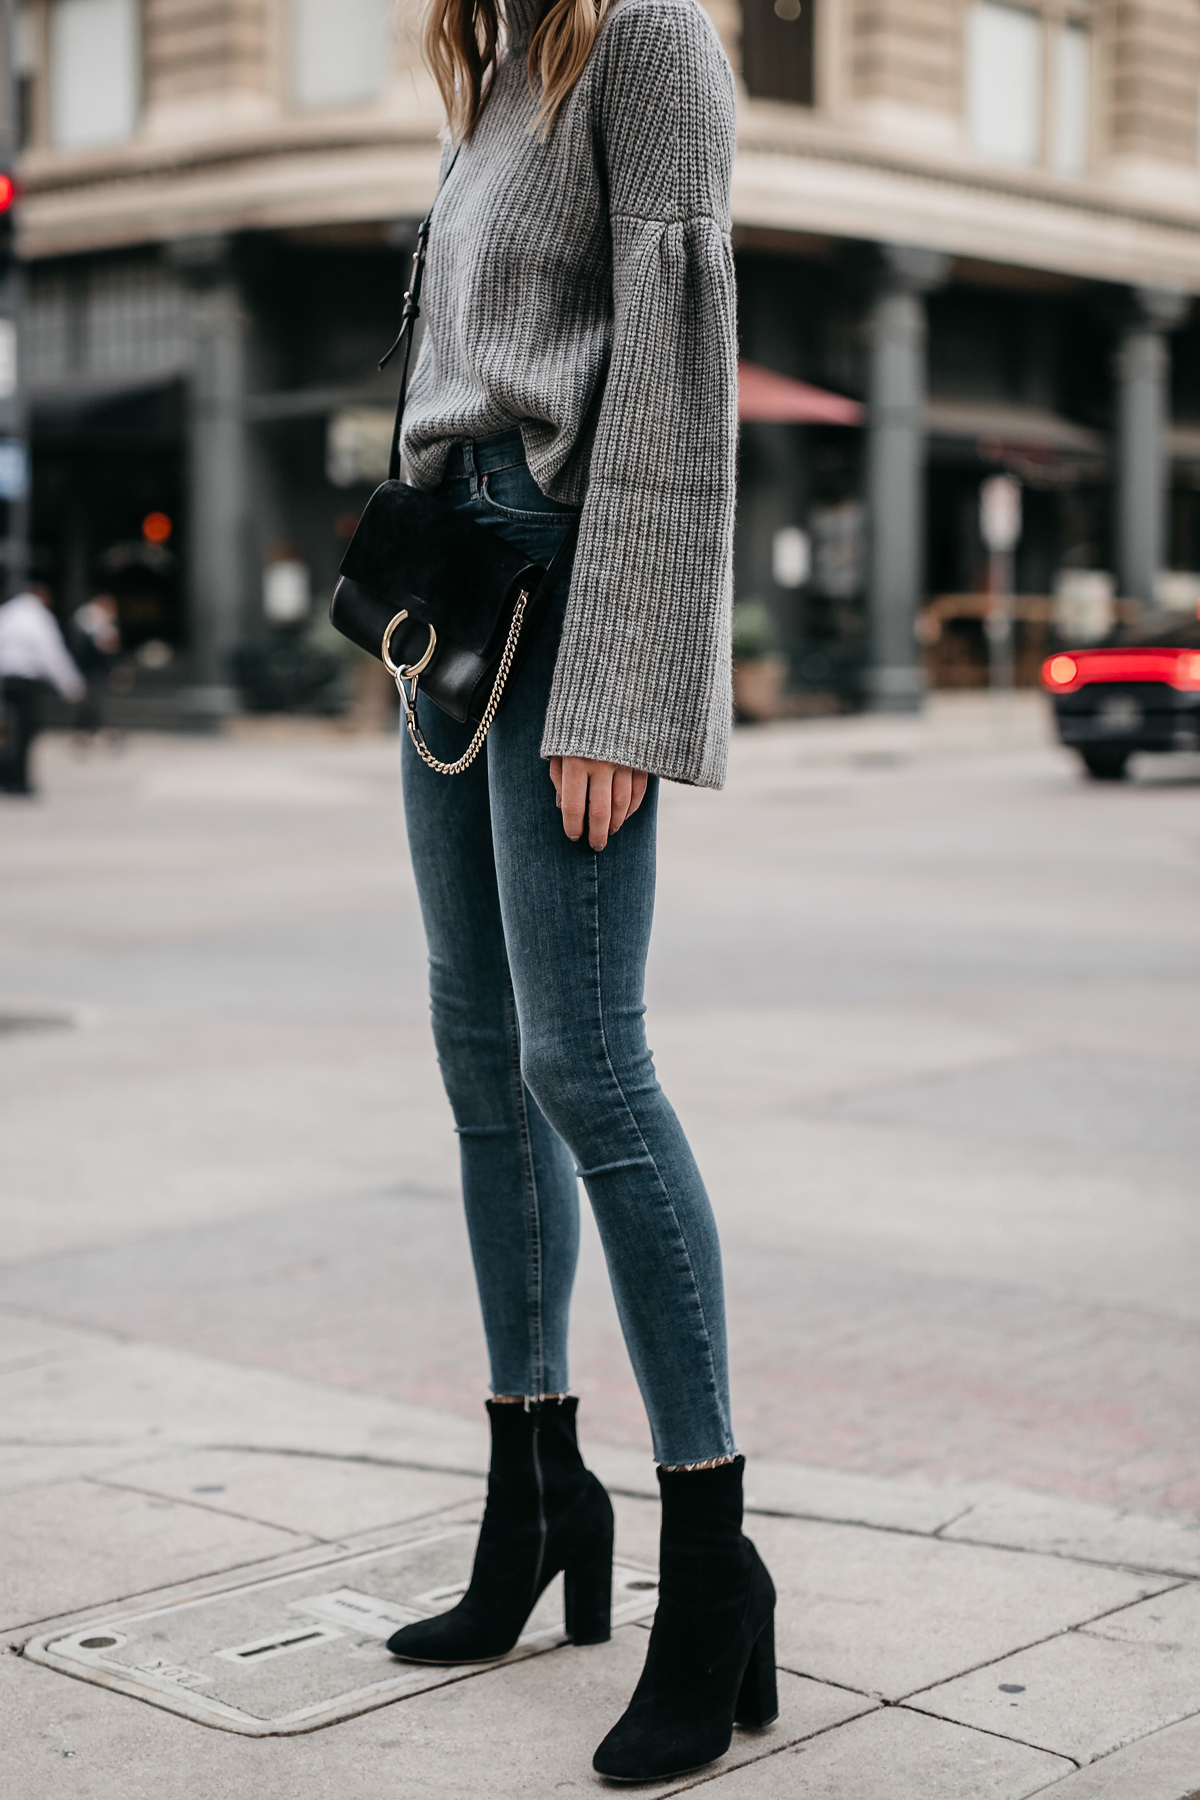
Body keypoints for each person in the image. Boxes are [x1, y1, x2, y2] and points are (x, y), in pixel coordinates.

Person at [379, 0, 776, 1783]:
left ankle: (713, 1560)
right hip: (452, 602)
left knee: (586, 1066)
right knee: (479, 1063)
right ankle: (537, 1496)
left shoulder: (655, 46)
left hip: (568, 597)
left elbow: (678, 374)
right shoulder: (487, 75)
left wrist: (618, 679)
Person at [0, 583, 85, 795]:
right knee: (25, 731)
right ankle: (18, 780)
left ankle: (7, 776)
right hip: (25, 682)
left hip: (5, 680)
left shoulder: (8, 612)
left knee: (8, 732)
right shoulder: (38, 616)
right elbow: (52, 654)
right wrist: (72, 687)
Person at [70, 592, 122, 744]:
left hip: (95, 669)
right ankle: (86, 730)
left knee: (95, 700)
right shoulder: (88, 617)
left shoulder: (98, 619)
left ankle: (91, 729)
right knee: (89, 700)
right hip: (88, 668)